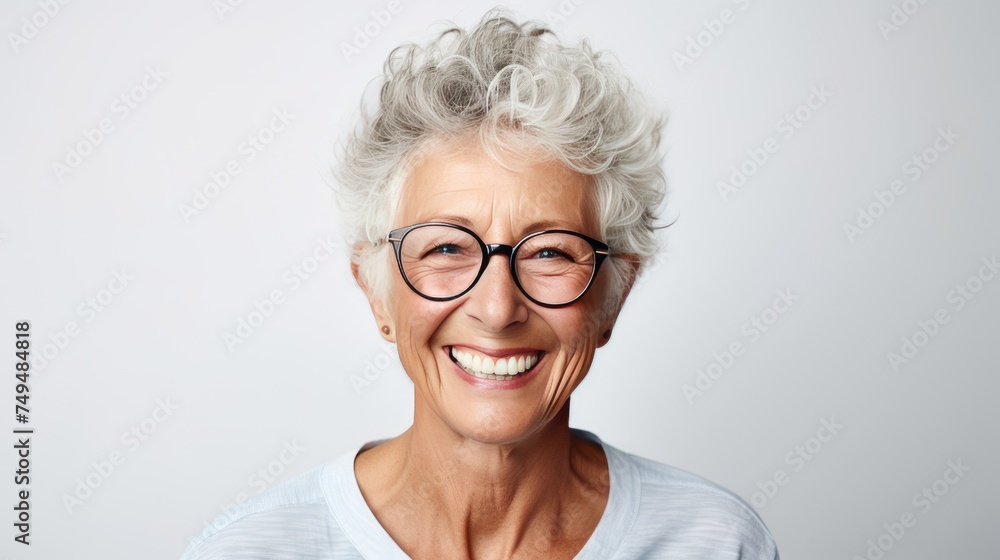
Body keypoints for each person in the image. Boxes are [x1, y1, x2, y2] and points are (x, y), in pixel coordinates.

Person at [181, 9, 779, 559]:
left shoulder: (716, 543)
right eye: (446, 247)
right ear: (375, 291)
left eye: (549, 252)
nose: (497, 309)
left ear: (613, 296)